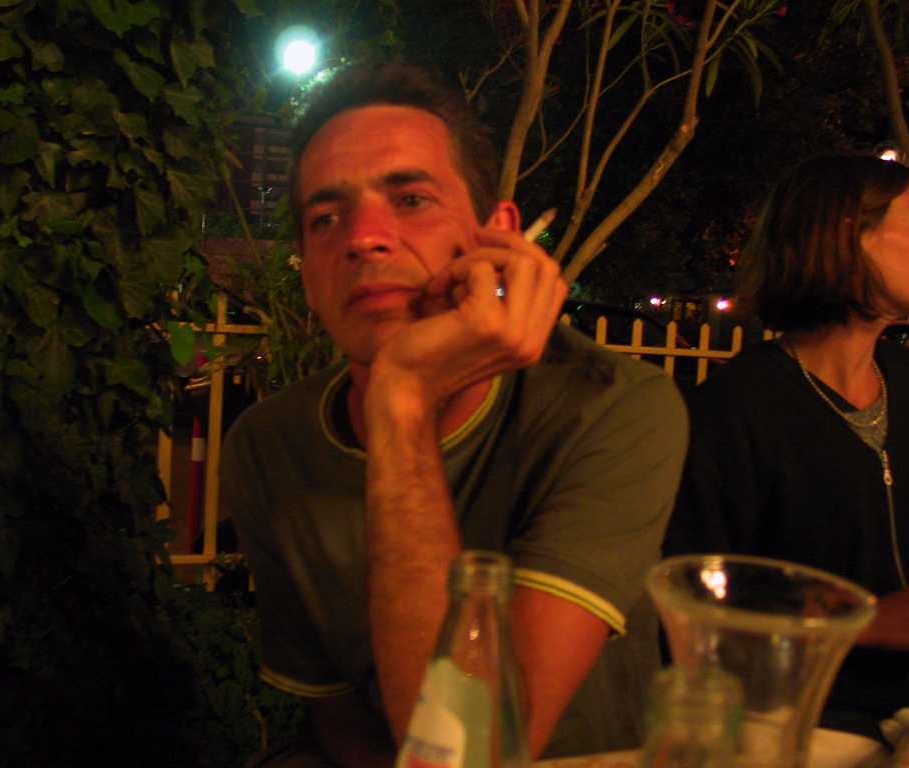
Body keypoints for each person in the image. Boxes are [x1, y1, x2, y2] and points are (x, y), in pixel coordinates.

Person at [222, 61, 688, 766]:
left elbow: (475, 752)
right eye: (326, 218)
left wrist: (402, 399)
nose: (363, 237)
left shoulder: (611, 406)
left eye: (411, 200)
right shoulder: (269, 444)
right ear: (308, 273)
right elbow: (335, 716)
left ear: (495, 236)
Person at [665, 153, 909, 740]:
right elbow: (693, 607)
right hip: (803, 728)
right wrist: (864, 623)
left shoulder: (905, 381)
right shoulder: (733, 411)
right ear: (847, 237)